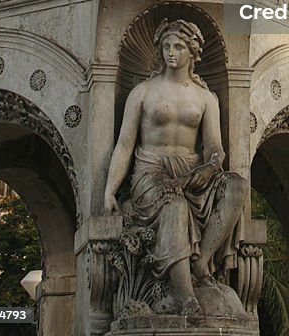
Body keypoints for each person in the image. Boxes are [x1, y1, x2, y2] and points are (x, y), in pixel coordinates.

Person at [104, 18, 247, 314]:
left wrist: (209, 168)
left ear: (192, 52)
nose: (171, 52)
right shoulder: (142, 92)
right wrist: (110, 191)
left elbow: (215, 148)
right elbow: (125, 145)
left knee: (236, 186)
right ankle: (186, 296)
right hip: (151, 173)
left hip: (194, 173)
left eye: (179, 46)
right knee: (175, 204)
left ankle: (202, 261)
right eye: (166, 46)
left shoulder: (206, 98)